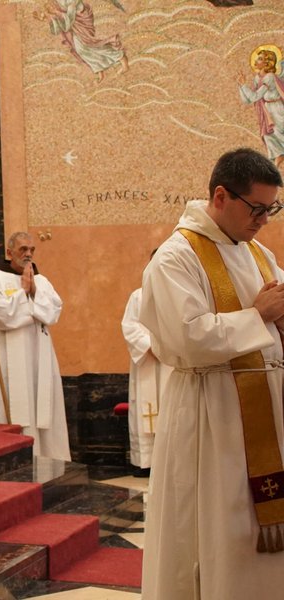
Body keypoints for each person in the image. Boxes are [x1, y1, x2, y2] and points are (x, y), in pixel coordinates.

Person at [140, 147, 284, 600]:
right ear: (221, 196)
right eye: (257, 208)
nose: (264, 220)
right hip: (211, 417)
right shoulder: (175, 257)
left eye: (272, 208)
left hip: (264, 415)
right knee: (218, 533)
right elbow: (185, 340)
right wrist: (257, 317)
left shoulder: (259, 253)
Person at [0, 231, 70, 461]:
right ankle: (12, 460)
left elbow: (53, 312)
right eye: (23, 249)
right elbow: (1, 316)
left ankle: (50, 459)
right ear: (9, 252)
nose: (29, 254)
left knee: (43, 406)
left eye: (32, 250)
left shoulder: (41, 281)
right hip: (11, 359)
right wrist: (24, 294)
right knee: (15, 406)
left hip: (40, 357)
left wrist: (33, 291)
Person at [120, 249, 172, 476]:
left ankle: (172, 461)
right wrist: (150, 346)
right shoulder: (138, 296)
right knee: (149, 410)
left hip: (172, 363)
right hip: (150, 362)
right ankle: (147, 462)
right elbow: (130, 326)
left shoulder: (177, 296)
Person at [33, 0, 128, 83]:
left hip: (81, 22)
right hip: (74, 25)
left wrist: (57, 13)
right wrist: (48, 17)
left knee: (90, 45)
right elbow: (58, 27)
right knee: (81, 50)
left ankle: (121, 59)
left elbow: (68, 22)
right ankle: (100, 71)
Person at [238, 45, 284, 171]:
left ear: (266, 62)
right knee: (270, 138)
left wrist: (243, 86)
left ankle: (277, 165)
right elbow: (248, 100)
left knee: (280, 138)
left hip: (277, 110)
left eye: (259, 59)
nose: (256, 61)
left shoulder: (269, 77)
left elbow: (255, 96)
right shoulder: (258, 78)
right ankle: (278, 162)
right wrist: (241, 87)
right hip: (267, 110)